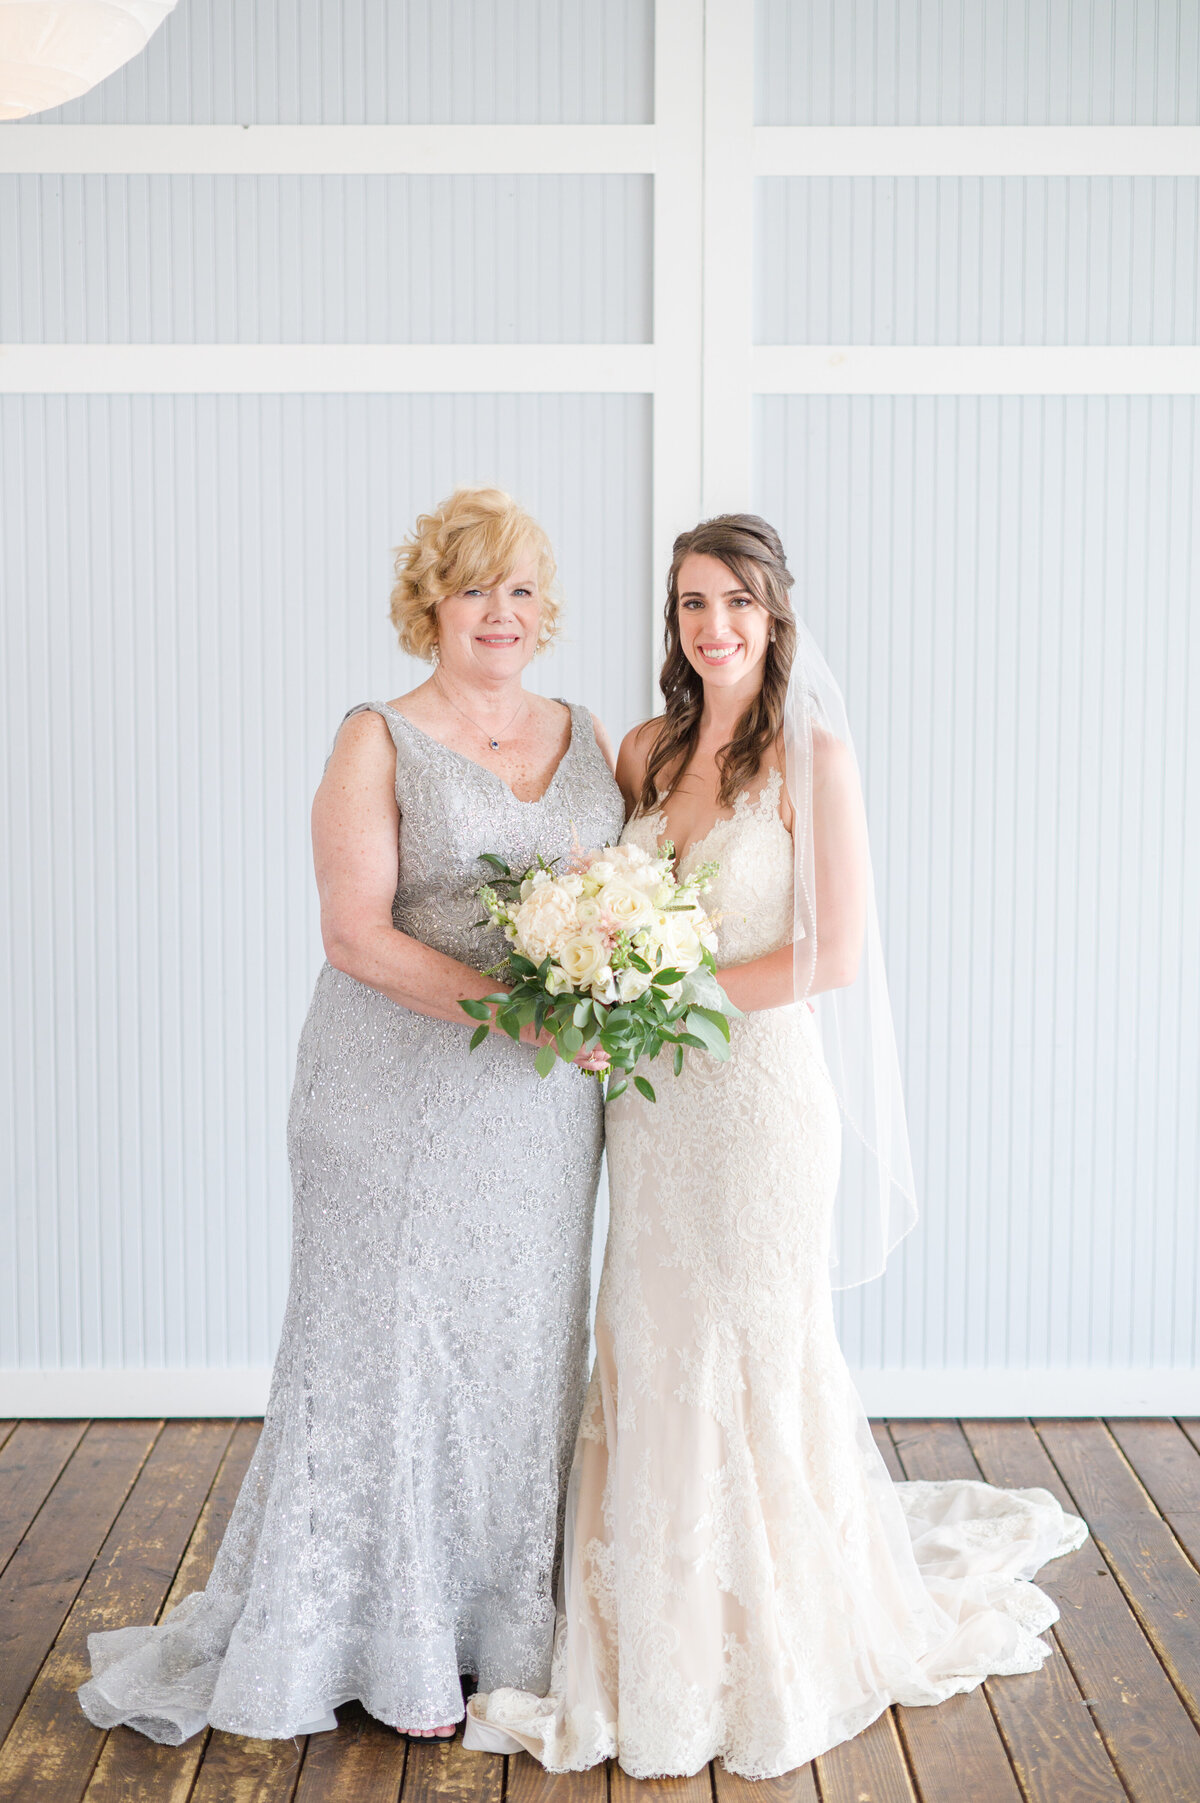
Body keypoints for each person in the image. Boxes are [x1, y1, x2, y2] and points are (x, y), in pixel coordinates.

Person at [465, 513, 1085, 1779]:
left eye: (737, 604)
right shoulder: (643, 751)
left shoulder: (813, 756)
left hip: (756, 1109)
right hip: (648, 1115)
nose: (716, 628)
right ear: (674, 625)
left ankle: (773, 1634)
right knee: (648, 1332)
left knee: (750, 1345)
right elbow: (595, 901)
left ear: (776, 613)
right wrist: (594, 984)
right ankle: (652, 1628)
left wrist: (658, 1001)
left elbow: (830, 956)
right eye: (693, 605)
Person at [79, 487, 624, 1745]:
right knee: (390, 1353)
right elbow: (354, 935)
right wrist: (521, 1012)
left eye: (525, 590)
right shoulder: (379, 736)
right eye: (478, 587)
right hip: (393, 1100)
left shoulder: (588, 730)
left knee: (517, 1357)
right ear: (430, 601)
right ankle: (372, 1641)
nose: (505, 612)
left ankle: (494, 1636)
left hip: (540, 1122)